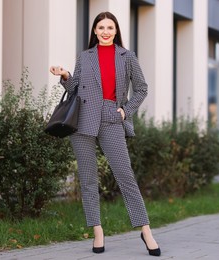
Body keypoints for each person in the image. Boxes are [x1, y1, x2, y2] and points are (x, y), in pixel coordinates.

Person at [49, 11, 161, 257]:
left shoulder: (127, 57)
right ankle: (97, 230)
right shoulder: (85, 56)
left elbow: (142, 89)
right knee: (88, 180)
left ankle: (146, 230)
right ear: (95, 31)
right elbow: (75, 87)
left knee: (125, 176)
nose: (106, 31)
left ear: (116, 30)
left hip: (112, 117)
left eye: (110, 27)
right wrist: (65, 75)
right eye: (101, 27)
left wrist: (125, 111)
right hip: (82, 122)